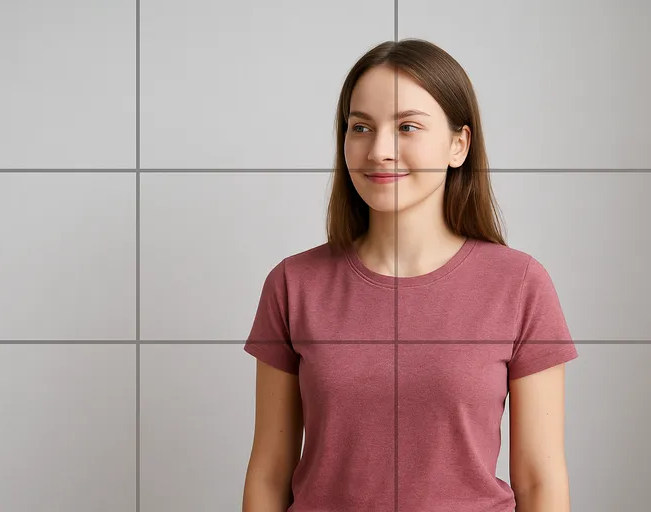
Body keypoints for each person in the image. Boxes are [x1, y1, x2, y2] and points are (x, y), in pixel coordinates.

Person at [241, 38, 578, 512]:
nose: (379, 150)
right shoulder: (293, 284)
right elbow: (268, 473)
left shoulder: (520, 284)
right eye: (361, 127)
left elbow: (541, 481)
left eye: (407, 127)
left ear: (459, 145)